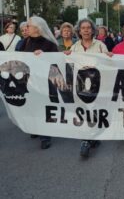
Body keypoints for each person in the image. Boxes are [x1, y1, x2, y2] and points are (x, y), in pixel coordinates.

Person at [67, 18, 108, 158]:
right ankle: (86, 139)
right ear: (79, 31)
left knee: (94, 111)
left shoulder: (101, 46)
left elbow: (107, 64)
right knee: (84, 111)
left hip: (97, 85)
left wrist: (109, 57)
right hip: (80, 86)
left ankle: (92, 137)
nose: (85, 30)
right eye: (83, 28)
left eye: (88, 27)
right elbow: (68, 64)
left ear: (92, 30)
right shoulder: (74, 47)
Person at [18, 16, 59, 150]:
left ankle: (45, 136)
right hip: (29, 81)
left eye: (29, 26)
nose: (26, 28)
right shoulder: (25, 42)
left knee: (42, 108)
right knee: (32, 107)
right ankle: (35, 128)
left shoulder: (49, 44)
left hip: (44, 82)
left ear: (37, 27)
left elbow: (56, 66)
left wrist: (44, 56)